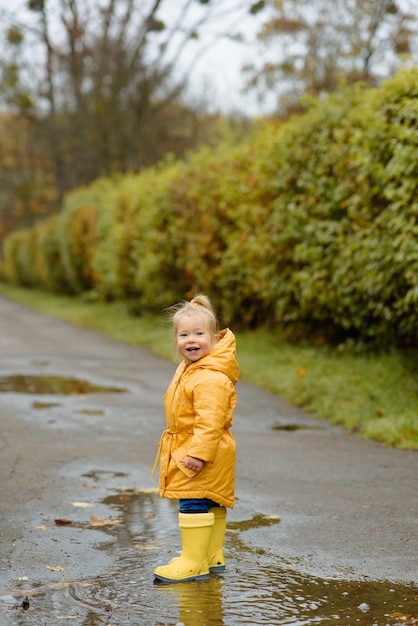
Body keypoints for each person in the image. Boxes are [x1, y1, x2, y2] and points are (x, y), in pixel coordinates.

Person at [152, 294, 239, 583]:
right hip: (199, 446)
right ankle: (211, 556)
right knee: (210, 501)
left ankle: (193, 562)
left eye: (199, 334)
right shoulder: (192, 368)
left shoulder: (209, 376)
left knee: (192, 502)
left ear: (214, 337)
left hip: (199, 450)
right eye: (184, 334)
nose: (191, 340)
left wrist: (199, 454)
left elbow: (210, 420)